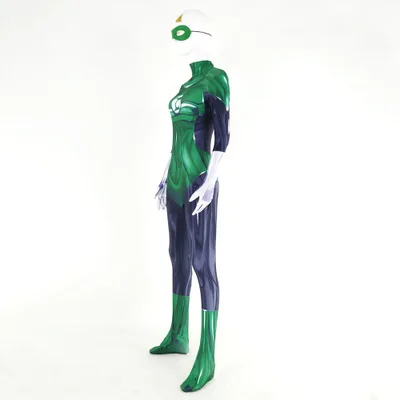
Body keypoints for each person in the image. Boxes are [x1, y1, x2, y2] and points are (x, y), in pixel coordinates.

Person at [150, 9, 230, 393]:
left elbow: (223, 138)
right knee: (177, 256)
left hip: (199, 181)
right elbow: (177, 139)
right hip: (177, 181)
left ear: (201, 34)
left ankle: (207, 357)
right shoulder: (185, 86)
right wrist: (164, 175)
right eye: (173, 33)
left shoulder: (216, 79)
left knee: (202, 262)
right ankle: (178, 334)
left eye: (181, 32)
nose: (175, 40)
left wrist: (211, 181)